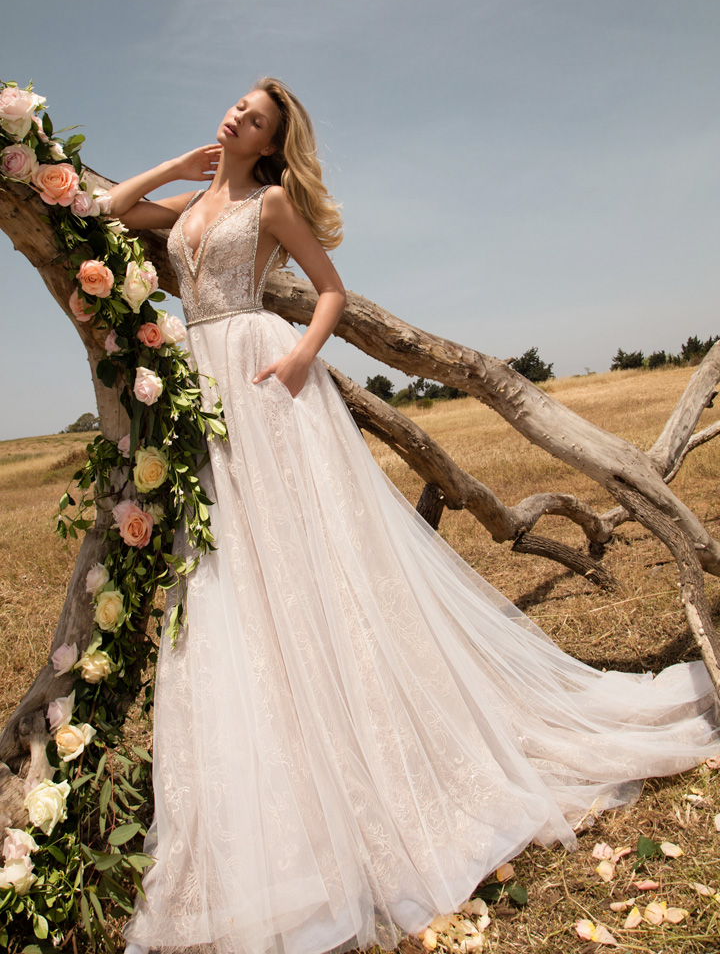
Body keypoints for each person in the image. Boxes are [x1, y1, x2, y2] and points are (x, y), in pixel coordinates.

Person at [113, 78, 720, 954]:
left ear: (275, 141)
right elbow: (108, 210)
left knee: (303, 550)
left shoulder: (273, 200)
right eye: (236, 107)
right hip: (200, 390)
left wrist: (296, 363)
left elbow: (329, 290)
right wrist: (179, 163)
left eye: (256, 116)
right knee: (231, 566)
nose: (237, 117)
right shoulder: (192, 202)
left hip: (261, 375)